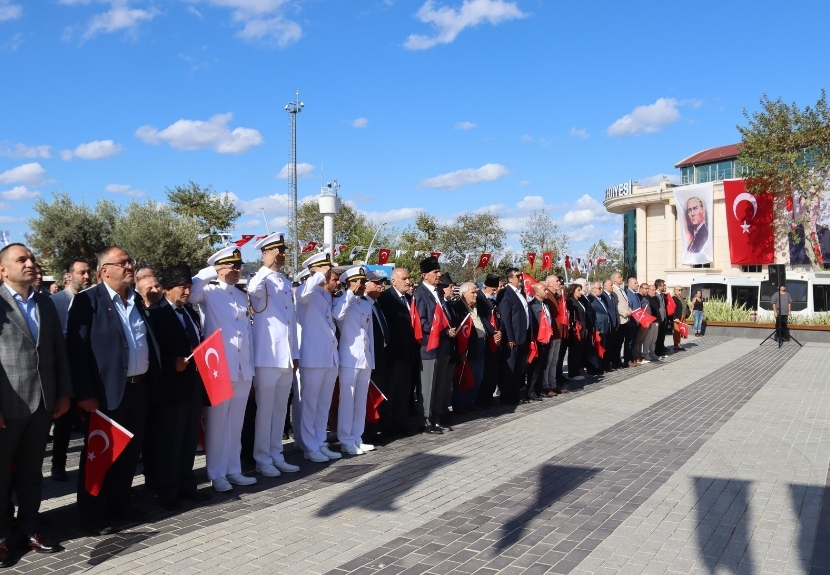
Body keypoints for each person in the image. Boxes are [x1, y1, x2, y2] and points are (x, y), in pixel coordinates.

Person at [67, 247, 162, 534]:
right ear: (103, 271)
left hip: (138, 388)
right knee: (100, 455)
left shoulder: (136, 300)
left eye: (130, 261)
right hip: (105, 393)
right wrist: (84, 393)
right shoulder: (87, 302)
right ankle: (92, 515)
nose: (129, 266)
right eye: (122, 263)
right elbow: (77, 352)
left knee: (130, 452)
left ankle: (120, 505)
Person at [0, 244, 71, 562]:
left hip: (43, 403)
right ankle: (2, 535)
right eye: (21, 260)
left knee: (31, 472)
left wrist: (64, 392)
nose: (30, 263)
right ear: (3, 270)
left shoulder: (45, 303)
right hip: (7, 406)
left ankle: (29, 528)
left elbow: (58, 351)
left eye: (31, 259)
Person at [189, 246, 257, 492]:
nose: (236, 270)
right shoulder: (208, 292)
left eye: (239, 266)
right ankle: (216, 473)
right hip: (219, 368)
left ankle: (233, 469)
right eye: (231, 265)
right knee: (217, 425)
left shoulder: (240, 296)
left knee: (236, 423)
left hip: (241, 368)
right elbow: (192, 291)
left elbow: (246, 334)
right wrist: (213, 270)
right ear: (219, 267)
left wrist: (251, 369)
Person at [145, 264, 211, 510]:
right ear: (167, 288)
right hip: (171, 389)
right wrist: (171, 363)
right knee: (169, 443)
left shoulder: (191, 313)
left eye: (189, 287)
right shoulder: (156, 314)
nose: (186, 292)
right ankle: (168, 492)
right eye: (182, 287)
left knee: (187, 441)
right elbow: (151, 352)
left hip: (193, 386)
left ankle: (187, 486)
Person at [247, 233, 301, 478]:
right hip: (267, 356)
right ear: (265, 253)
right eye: (276, 251)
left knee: (280, 409)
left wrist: (295, 354)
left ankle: (276, 454)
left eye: (283, 250)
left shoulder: (282, 280)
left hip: (285, 355)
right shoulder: (262, 278)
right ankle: (262, 458)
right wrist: (265, 268)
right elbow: (253, 288)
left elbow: (290, 322)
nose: (281, 254)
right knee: (265, 410)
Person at [296, 252, 342, 462]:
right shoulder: (307, 291)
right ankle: (309, 445)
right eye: (325, 269)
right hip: (312, 356)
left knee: (323, 403)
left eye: (329, 269)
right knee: (309, 404)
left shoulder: (324, 294)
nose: (329, 272)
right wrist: (315, 276)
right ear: (314, 270)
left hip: (328, 355)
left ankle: (319, 441)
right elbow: (301, 294)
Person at [50, 259, 92, 482]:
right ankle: (58, 465)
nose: (86, 276)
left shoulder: (92, 300)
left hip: (87, 371)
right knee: (63, 424)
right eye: (81, 272)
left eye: (88, 272)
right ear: (68, 276)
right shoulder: (54, 302)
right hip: (64, 373)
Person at [332, 266, 376, 455]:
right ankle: (346, 440)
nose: (362, 285)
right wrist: (349, 293)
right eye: (358, 281)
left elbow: (370, 335)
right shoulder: (342, 301)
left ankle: (357, 437)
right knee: (347, 401)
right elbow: (337, 316)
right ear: (349, 283)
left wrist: (371, 358)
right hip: (349, 358)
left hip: (364, 358)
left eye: (363, 281)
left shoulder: (366, 304)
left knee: (360, 402)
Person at [414, 256, 456, 434]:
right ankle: (425, 420)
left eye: (438, 271)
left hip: (443, 346)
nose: (438, 275)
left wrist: (449, 328)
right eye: (435, 272)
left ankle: (436, 417)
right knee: (428, 385)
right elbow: (422, 322)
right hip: (429, 347)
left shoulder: (438, 293)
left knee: (440, 386)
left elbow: (444, 314)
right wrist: (442, 330)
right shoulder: (420, 294)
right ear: (425, 275)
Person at [377, 267, 418, 434]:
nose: (408, 281)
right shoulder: (386, 298)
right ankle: (387, 425)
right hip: (393, 354)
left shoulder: (409, 298)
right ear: (393, 281)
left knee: (404, 390)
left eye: (409, 278)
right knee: (391, 391)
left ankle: (400, 422)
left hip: (409, 352)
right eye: (404, 279)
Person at [364, 270, 390, 440]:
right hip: (369, 359)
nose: (381, 286)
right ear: (366, 285)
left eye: (381, 282)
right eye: (376, 282)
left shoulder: (377, 304)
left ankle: (375, 427)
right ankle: (368, 431)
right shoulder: (363, 304)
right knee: (368, 398)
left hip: (381, 357)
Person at [452, 282, 483, 412]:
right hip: (467, 347)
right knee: (465, 375)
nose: (476, 295)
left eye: (476, 292)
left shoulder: (477, 306)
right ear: (464, 294)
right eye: (473, 292)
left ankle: (470, 401)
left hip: (480, 344)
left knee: (477, 375)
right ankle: (460, 404)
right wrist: (462, 350)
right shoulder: (458, 308)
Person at [474, 274, 502, 407]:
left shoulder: (492, 301)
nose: (495, 292)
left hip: (495, 339)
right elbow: (483, 319)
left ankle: (489, 396)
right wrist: (493, 333)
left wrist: (499, 331)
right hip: (486, 339)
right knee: (484, 372)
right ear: (484, 287)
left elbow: (498, 317)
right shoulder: (479, 299)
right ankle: (482, 398)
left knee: (493, 370)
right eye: (492, 290)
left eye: (496, 290)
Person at [526, 283, 553, 402]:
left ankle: (539, 389)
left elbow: (549, 322)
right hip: (537, 341)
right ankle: (531, 391)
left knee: (543, 366)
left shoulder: (545, 305)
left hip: (546, 341)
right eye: (544, 289)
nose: (546, 291)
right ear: (536, 293)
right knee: (535, 368)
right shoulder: (532, 306)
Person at [542, 275, 567, 395]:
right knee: (548, 361)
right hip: (551, 334)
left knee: (554, 361)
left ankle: (553, 384)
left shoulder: (557, 296)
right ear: (550, 284)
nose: (559, 282)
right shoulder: (547, 297)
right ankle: (546, 385)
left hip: (558, 333)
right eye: (556, 281)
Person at [565, 284, 587, 381]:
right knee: (574, 351)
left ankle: (577, 371)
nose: (580, 292)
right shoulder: (571, 301)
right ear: (573, 291)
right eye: (578, 290)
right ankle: (572, 373)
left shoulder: (580, 301)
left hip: (582, 329)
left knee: (579, 351)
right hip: (576, 330)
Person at [587, 282, 611, 369]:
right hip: (599, 327)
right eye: (599, 288)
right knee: (598, 347)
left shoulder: (601, 298)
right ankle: (597, 366)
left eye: (601, 288)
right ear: (593, 289)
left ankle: (601, 364)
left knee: (603, 346)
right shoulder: (591, 299)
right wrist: (596, 327)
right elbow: (593, 315)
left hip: (605, 326)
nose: (601, 290)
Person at [601, 279, 620, 370]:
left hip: (614, 324)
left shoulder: (612, 296)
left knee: (611, 345)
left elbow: (615, 310)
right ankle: (605, 364)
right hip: (607, 325)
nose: (612, 286)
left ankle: (608, 363)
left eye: (612, 285)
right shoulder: (603, 296)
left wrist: (617, 323)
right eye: (610, 285)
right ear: (605, 286)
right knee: (607, 345)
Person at [643, 284, 662, 362]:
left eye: (655, 290)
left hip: (656, 321)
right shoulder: (646, 299)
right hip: (651, 322)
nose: (654, 292)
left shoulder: (655, 298)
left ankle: (652, 352)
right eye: (653, 290)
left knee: (654, 339)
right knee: (648, 339)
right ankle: (645, 354)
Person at [653, 279, 668, 357]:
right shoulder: (655, 295)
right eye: (662, 285)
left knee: (661, 335)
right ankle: (657, 352)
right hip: (659, 318)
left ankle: (660, 350)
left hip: (663, 318)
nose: (664, 287)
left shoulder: (661, 295)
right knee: (658, 337)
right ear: (659, 286)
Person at [671, 286, 687, 350]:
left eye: (681, 290)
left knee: (680, 331)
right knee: (677, 331)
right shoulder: (674, 298)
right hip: (677, 317)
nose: (681, 291)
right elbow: (673, 309)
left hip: (683, 316)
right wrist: (675, 317)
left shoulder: (681, 298)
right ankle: (676, 344)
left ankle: (679, 343)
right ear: (675, 290)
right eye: (679, 290)